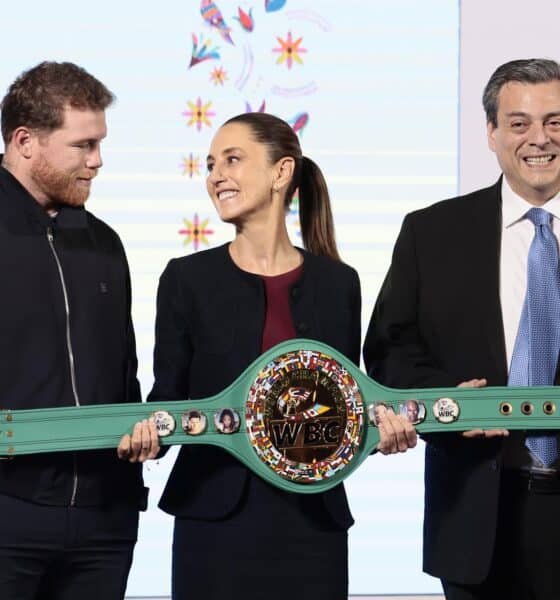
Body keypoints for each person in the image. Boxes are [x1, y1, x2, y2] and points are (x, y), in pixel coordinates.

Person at [144, 112, 416, 600]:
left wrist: (383, 435)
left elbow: (344, 410)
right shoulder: (186, 279)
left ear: (281, 171)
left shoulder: (340, 284)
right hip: (214, 520)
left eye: (232, 160)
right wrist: (147, 437)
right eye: (210, 165)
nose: (215, 176)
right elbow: (169, 394)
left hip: (313, 525)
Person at [364, 58, 560, 600]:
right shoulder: (433, 232)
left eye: (555, 121)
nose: (539, 138)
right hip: (475, 515)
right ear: (493, 134)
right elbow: (387, 351)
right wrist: (440, 401)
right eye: (519, 123)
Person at [0, 61, 157, 600]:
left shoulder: (105, 243)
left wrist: (144, 435)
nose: (97, 161)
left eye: (100, 144)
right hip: (8, 515)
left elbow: (124, 373)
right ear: (25, 141)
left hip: (104, 522)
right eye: (83, 146)